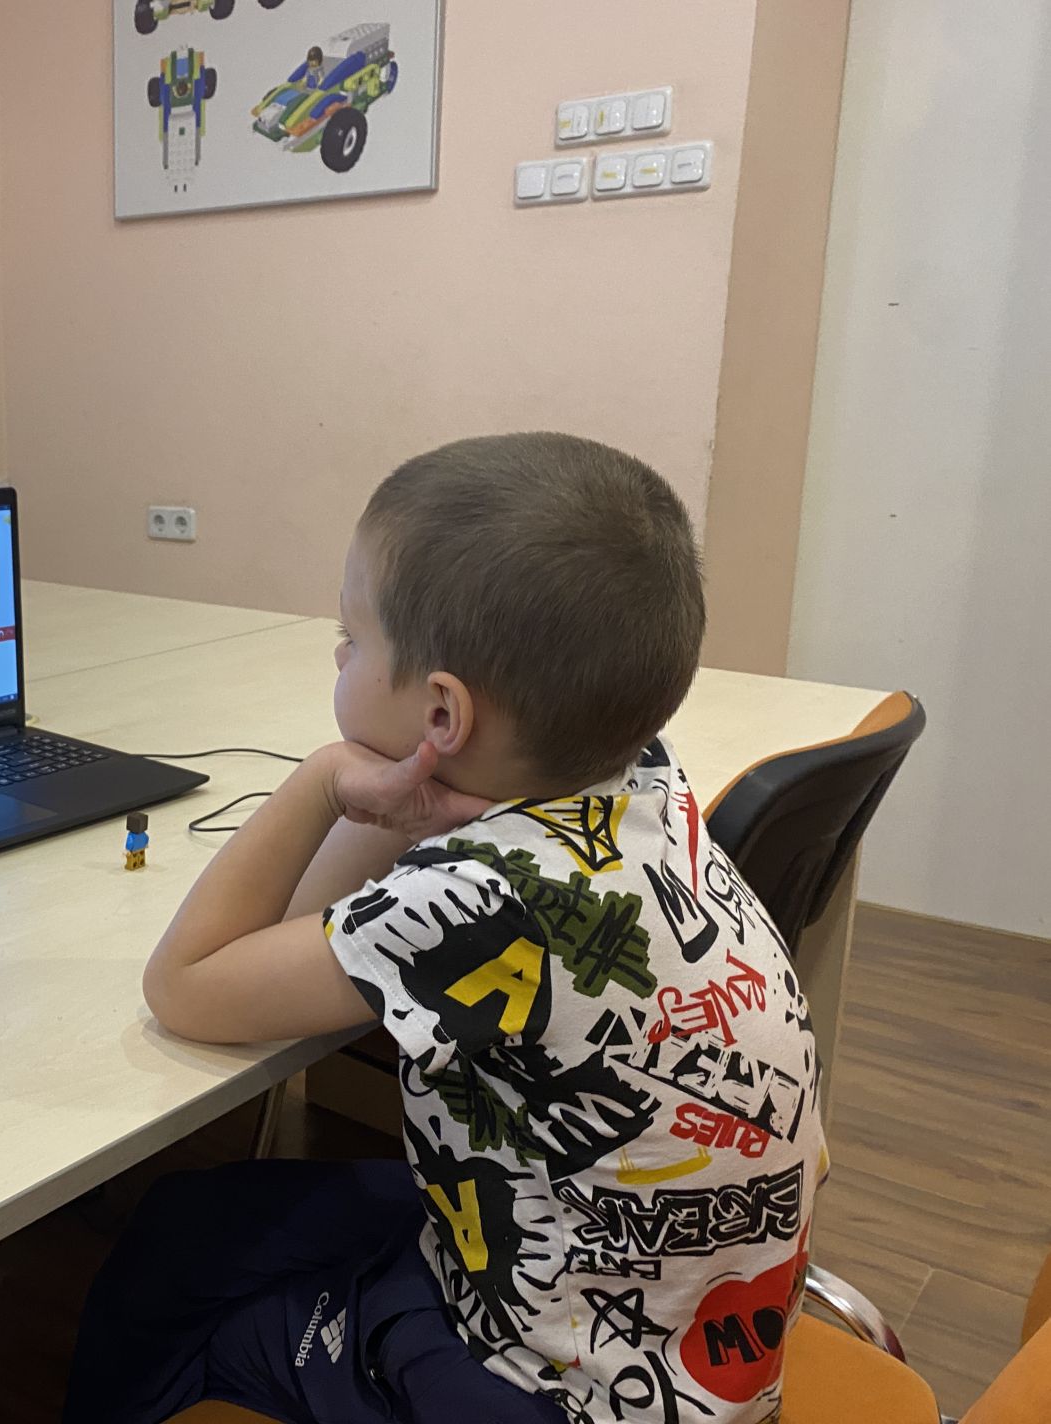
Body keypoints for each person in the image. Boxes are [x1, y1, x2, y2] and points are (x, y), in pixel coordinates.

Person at [66, 433, 824, 1424]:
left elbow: (189, 985)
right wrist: (403, 791)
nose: (337, 652)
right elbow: (308, 928)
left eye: (350, 635)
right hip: (668, 1319)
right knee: (187, 1215)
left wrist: (323, 779)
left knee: (186, 1310)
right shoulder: (637, 770)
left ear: (441, 712)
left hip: (552, 1388)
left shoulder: (472, 904)